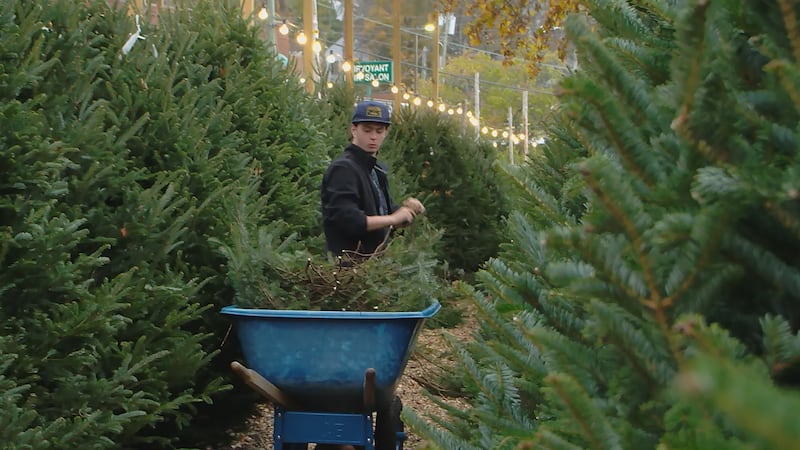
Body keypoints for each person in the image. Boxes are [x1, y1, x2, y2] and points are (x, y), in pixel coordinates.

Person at [321, 100, 425, 261]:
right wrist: (393, 218)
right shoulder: (343, 169)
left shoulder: (376, 170)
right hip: (346, 269)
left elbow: (382, 213)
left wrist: (406, 210)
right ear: (354, 130)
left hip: (373, 268)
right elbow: (348, 220)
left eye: (379, 131)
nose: (373, 137)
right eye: (367, 130)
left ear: (386, 132)